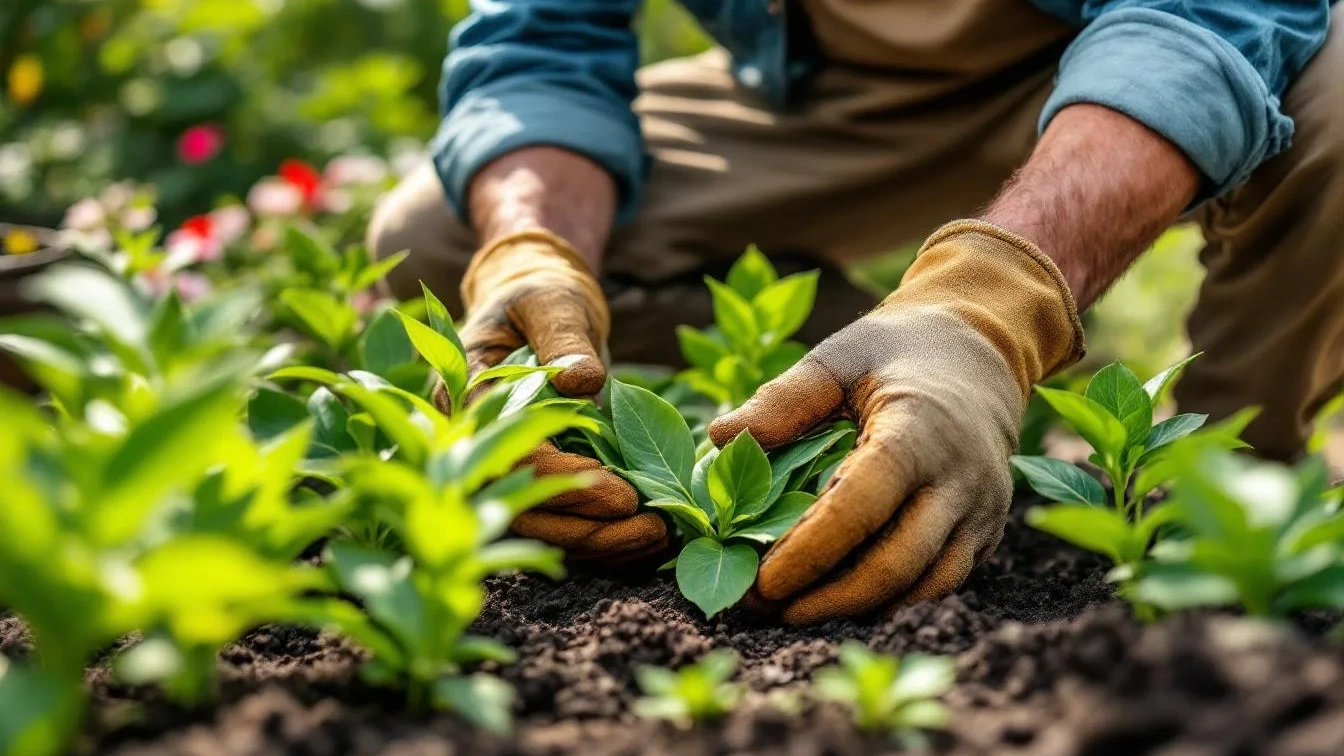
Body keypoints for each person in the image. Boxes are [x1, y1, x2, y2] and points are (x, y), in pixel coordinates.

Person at [368, 0, 1342, 625]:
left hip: (1114, 58)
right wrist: (535, 247)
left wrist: (992, 307)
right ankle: (879, 420)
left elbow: (1211, 13)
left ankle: (1220, 506)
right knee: (440, 231)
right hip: (838, 102)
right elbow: (538, 49)